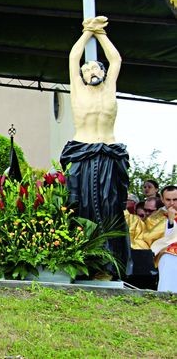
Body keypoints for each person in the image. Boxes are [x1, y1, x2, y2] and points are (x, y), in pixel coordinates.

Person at [59, 16, 130, 278]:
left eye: (95, 68)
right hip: (83, 153)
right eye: (86, 69)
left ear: (102, 71)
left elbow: (116, 59)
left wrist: (100, 33)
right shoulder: (78, 90)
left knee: (110, 208)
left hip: (110, 153)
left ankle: (110, 265)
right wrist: (87, 31)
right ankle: (84, 262)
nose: (91, 72)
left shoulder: (109, 87)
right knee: (82, 207)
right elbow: (73, 57)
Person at [150, 186, 177, 292]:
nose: (172, 203)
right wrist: (170, 221)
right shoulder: (156, 217)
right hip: (166, 252)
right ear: (162, 199)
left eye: (175, 200)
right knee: (168, 257)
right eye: (168, 200)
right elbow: (151, 236)